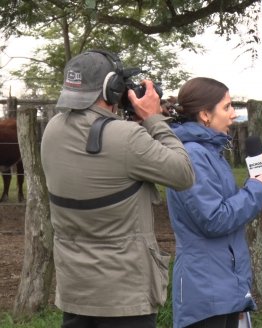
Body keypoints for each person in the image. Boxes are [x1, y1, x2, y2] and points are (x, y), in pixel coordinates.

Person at [40, 50, 195, 328]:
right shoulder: (128, 138)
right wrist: (153, 119)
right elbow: (183, 173)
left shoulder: (52, 130)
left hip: (76, 288)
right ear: (111, 88)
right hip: (124, 295)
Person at [165, 77, 262, 328]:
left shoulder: (208, 152)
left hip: (222, 287)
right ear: (205, 115)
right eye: (227, 107)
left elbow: (221, 208)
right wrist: (255, 189)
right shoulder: (193, 155)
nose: (234, 115)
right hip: (206, 292)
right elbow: (214, 219)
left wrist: (257, 187)